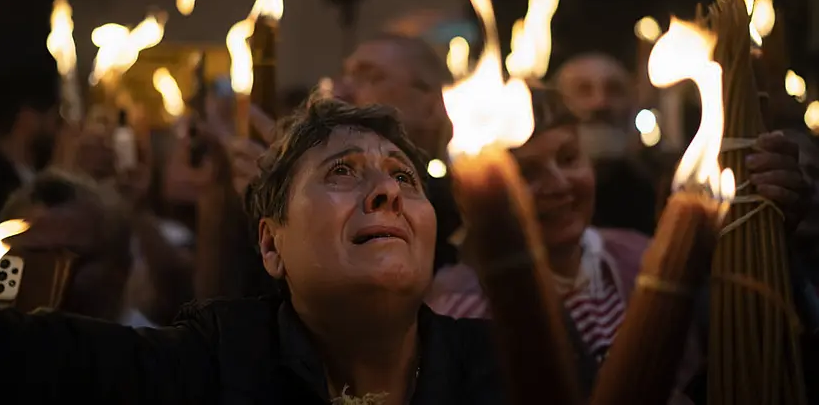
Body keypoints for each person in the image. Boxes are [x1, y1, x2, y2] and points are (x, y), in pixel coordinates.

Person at [0, 100, 502, 404]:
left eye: (403, 176)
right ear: (270, 243)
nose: (386, 192)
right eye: (341, 171)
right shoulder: (215, 365)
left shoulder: (509, 368)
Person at [426, 87, 811, 403]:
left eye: (569, 157)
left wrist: (763, 240)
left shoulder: (638, 253)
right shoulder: (458, 313)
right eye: (525, 173)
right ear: (471, 196)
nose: (559, 184)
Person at [228, 28, 461, 272]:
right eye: (344, 76)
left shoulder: (463, 210)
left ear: (431, 106)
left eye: (372, 77)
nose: (341, 93)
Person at [0, 169, 134, 322]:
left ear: (119, 268)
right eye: (35, 256)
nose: (53, 279)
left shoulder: (150, 345)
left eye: (72, 259)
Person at [555, 52, 661, 235]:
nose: (601, 103)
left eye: (614, 90)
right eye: (583, 90)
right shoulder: (543, 193)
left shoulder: (658, 190)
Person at [0, 48, 61, 214]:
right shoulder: (0, 184)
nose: (58, 126)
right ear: (27, 118)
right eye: (54, 114)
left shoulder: (31, 172)